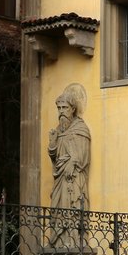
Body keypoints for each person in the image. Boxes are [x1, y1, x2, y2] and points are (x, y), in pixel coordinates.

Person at [48, 83, 91, 238]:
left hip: (74, 179)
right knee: (57, 209)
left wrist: (73, 163)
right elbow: (55, 157)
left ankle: (73, 241)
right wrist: (53, 142)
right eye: (59, 108)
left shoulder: (81, 129)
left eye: (64, 108)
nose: (61, 112)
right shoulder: (58, 131)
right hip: (60, 179)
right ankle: (59, 241)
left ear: (73, 109)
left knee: (73, 211)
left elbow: (83, 156)